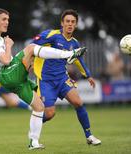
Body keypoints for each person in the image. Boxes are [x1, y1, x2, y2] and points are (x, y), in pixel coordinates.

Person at [0, 8, 85, 150]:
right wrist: (9, 45)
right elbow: (5, 60)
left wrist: (25, 64)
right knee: (31, 48)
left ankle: (33, 142)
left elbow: (5, 61)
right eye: (4, 19)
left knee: (39, 107)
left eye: (8, 20)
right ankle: (67, 55)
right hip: (6, 75)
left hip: (8, 78)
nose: (7, 22)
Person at [32, 9, 101, 145]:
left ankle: (89, 136)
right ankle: (33, 125)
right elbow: (32, 45)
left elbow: (77, 60)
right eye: (67, 21)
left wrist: (88, 76)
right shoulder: (51, 35)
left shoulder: (74, 43)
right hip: (46, 80)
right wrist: (28, 60)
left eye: (73, 22)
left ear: (76, 25)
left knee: (78, 103)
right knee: (50, 114)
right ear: (62, 23)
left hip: (62, 79)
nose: (70, 24)